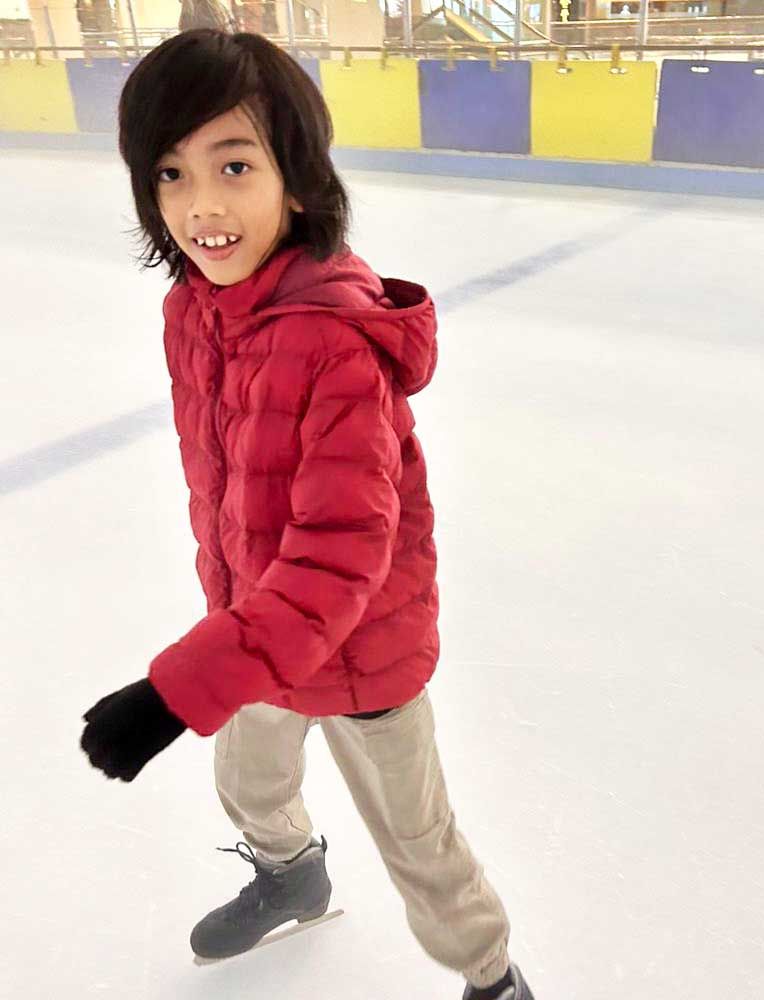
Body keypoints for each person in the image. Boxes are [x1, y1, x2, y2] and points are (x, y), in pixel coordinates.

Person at [78, 28, 535, 1000]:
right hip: (255, 629)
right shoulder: (196, 310)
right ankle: (293, 873)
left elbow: (335, 560)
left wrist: (170, 694)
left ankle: (492, 978)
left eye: (233, 164)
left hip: (363, 648)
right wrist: (227, 618)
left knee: (419, 842)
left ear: (297, 180)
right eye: (169, 172)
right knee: (247, 781)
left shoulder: (331, 344)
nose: (200, 204)